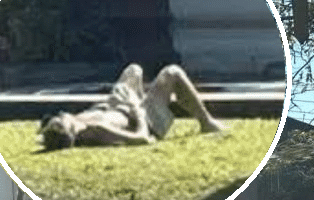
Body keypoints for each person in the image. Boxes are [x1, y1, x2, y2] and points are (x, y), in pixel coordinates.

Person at [40, 63, 226, 151]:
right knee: (172, 72)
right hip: (145, 120)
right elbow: (142, 138)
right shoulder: (97, 130)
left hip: (120, 105)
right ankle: (207, 122)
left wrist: (116, 101)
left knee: (134, 70)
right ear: (68, 129)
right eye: (61, 117)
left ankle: (142, 96)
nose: (63, 113)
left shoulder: (76, 123)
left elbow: (50, 138)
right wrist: (136, 107)